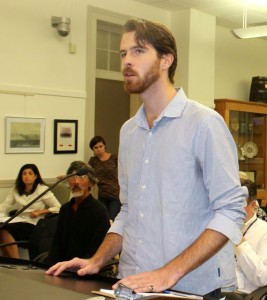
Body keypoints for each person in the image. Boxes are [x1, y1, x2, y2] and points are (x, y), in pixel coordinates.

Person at [46, 18, 247, 297]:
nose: (127, 61)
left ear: (166, 59)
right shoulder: (129, 132)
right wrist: (98, 259)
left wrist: (168, 273)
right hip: (133, 283)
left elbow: (230, 211)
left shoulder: (204, 124)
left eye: (138, 51)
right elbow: (128, 211)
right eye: (123, 53)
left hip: (192, 288)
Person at [46, 161, 110, 265]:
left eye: (82, 177)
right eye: (72, 177)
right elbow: (57, 244)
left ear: (91, 182)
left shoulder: (99, 211)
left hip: (86, 268)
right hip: (63, 267)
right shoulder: (65, 209)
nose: (76, 182)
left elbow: (96, 249)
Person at [0, 163, 60, 258]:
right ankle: (7, 263)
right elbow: (5, 205)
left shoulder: (42, 189)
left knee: (4, 230)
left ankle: (16, 262)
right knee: (1, 228)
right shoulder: (16, 189)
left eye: (30, 173)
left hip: (34, 224)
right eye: (24, 174)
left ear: (36, 176)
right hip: (19, 220)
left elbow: (58, 207)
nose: (27, 176)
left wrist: (40, 212)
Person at [235, 179, 267, 294]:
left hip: (247, 296)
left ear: (253, 205)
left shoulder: (264, 231)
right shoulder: (220, 228)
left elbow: (262, 278)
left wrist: (239, 241)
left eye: (239, 205)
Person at [89, 136, 121, 221]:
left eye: (100, 146)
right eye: (96, 147)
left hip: (115, 194)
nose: (99, 149)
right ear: (93, 149)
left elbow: (124, 172)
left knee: (111, 219)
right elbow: (85, 172)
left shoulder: (114, 158)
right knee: (103, 220)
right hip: (102, 195)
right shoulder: (93, 161)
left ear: (104, 146)